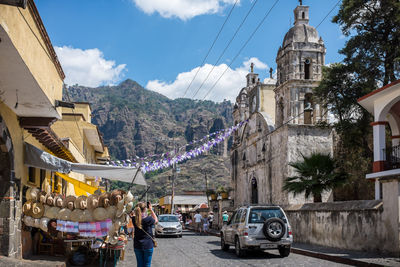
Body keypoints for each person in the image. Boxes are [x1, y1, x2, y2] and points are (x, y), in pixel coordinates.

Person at [131, 202, 158, 267]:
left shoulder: (134, 219)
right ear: (145, 209)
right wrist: (151, 210)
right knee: (147, 264)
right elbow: (156, 220)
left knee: (139, 264)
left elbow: (132, 214)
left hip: (137, 244)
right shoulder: (148, 219)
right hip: (148, 244)